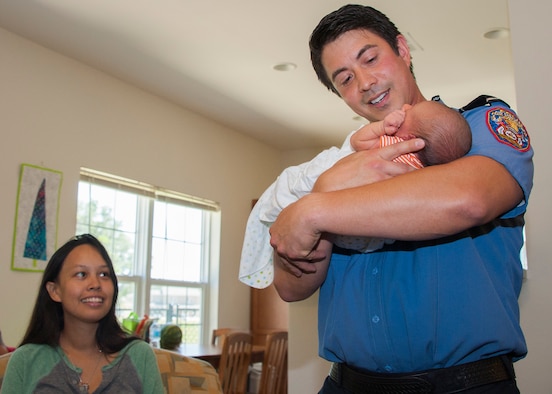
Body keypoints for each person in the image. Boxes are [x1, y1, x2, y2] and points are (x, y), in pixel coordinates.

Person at [267, 4, 533, 394]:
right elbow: (291, 288)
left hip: (463, 386)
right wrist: (322, 191)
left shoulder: (479, 126)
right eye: (345, 78)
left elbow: (467, 200)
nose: (365, 82)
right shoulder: (339, 165)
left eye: (371, 58)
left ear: (403, 50)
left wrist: (314, 207)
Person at [239, 100, 471, 288]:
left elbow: (356, 144)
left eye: (410, 112)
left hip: (318, 199)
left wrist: (380, 128)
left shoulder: (392, 141)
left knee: (290, 188)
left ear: (412, 140)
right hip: (358, 233)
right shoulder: (423, 174)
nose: (406, 108)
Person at [1, 234, 164, 393]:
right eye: (81, 274)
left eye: (104, 274)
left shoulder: (139, 355)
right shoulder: (26, 360)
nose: (95, 284)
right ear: (55, 291)